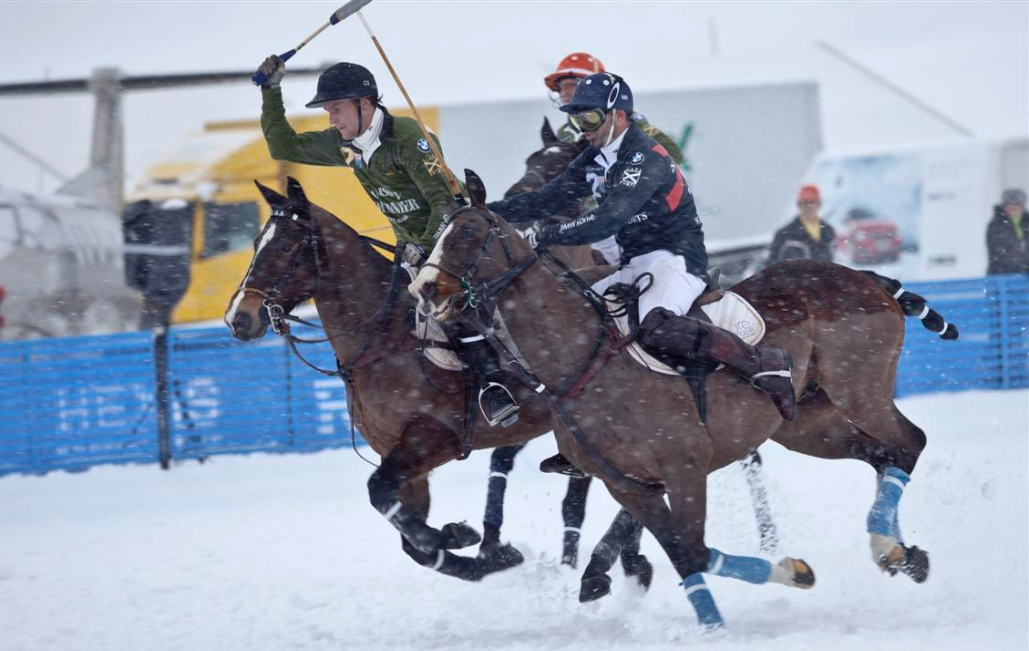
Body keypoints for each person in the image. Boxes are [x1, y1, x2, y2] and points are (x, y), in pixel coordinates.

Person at [489, 73, 796, 422]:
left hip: (677, 259)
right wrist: (485, 211)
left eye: (589, 118)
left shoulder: (644, 156)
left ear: (619, 115)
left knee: (655, 326)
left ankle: (763, 363)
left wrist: (548, 235)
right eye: (576, 119)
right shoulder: (594, 159)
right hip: (635, 263)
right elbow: (545, 199)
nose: (582, 128)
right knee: (570, 315)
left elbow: (607, 219)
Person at [255, 56, 519, 426]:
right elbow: (284, 147)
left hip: (457, 242)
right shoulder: (344, 144)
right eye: (329, 111)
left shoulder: (408, 137)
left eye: (336, 109)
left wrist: (425, 249)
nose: (332, 119)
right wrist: (271, 91)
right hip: (411, 253)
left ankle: (493, 386)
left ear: (364, 104)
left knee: (450, 305)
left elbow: (442, 202)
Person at [543, 53, 685, 267]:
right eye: (561, 88)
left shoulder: (623, 120)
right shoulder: (565, 132)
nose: (565, 93)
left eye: (572, 85)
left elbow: (673, 154)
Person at [765, 184, 836, 266]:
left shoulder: (829, 232)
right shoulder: (784, 234)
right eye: (805, 202)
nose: (809, 206)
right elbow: (771, 266)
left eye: (812, 202)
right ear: (798, 205)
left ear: (819, 204)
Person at [986, 187, 1029, 275]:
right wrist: (1022, 267)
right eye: (1009, 205)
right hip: (1002, 277)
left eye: (1017, 205)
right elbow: (999, 253)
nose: (1013, 208)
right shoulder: (997, 225)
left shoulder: (1026, 222)